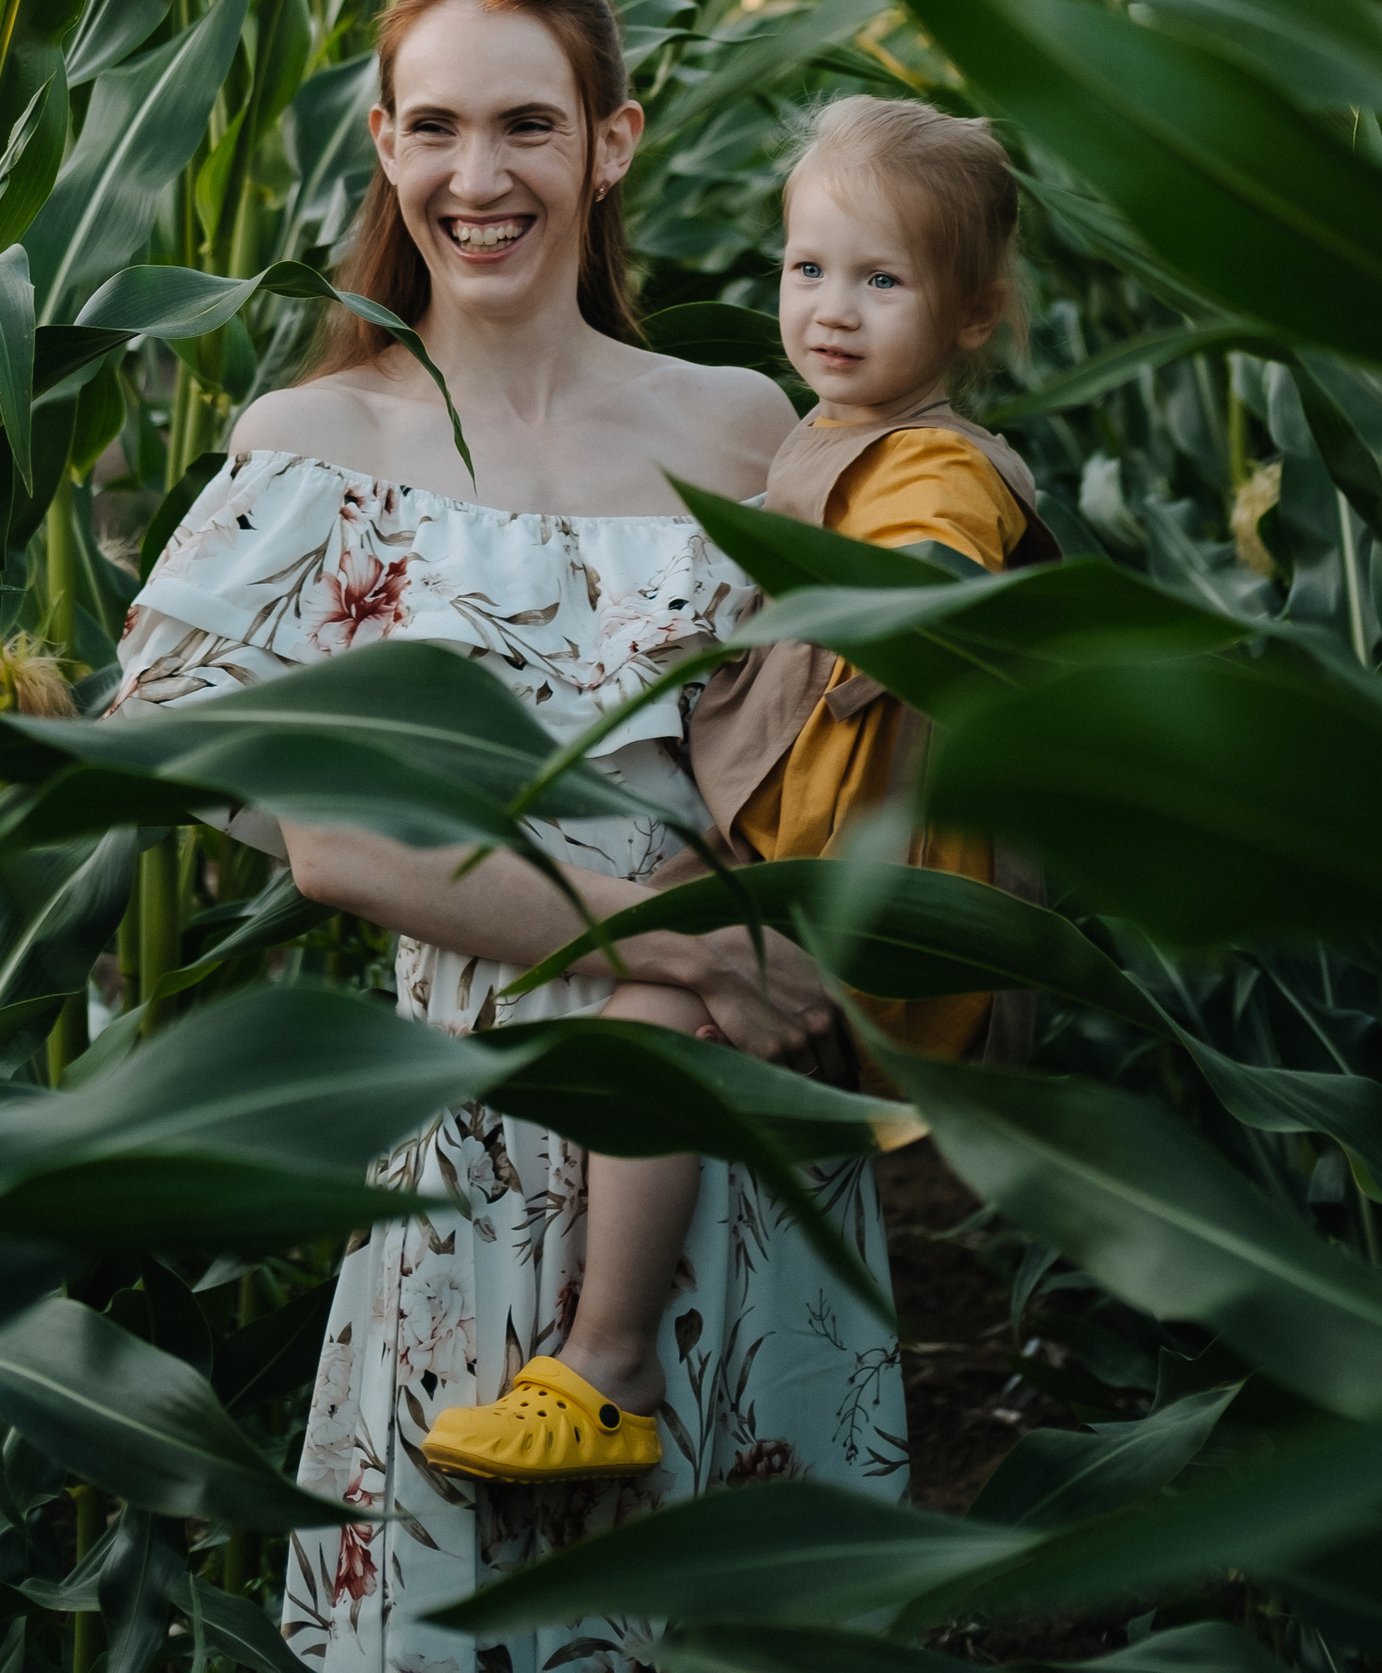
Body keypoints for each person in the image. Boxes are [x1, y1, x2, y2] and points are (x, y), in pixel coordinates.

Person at [105, 0, 909, 1673]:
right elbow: (340, 850)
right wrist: (674, 947)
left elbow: (831, 739)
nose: (481, 178)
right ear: (386, 148)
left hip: (736, 1120)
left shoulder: (742, 428)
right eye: (440, 128)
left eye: (529, 126)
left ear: (611, 145)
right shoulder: (315, 452)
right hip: (482, 1131)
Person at [419, 93, 1054, 1489]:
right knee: (654, 933)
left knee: (653, 1005)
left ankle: (610, 1365)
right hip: (807, 864)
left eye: (883, 281)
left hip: (871, 912)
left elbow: (933, 566)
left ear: (973, 316)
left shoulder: (933, 468)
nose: (831, 308)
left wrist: (903, 603)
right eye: (808, 267)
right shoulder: (825, 436)